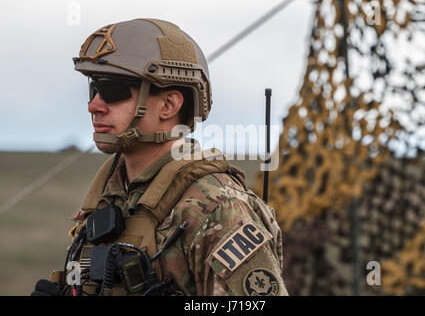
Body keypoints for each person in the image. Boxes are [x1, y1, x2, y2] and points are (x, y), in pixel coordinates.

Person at [31, 18, 288, 296]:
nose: (94, 105)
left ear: (168, 105)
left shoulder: (215, 208)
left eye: (113, 91)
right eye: (94, 88)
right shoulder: (110, 194)